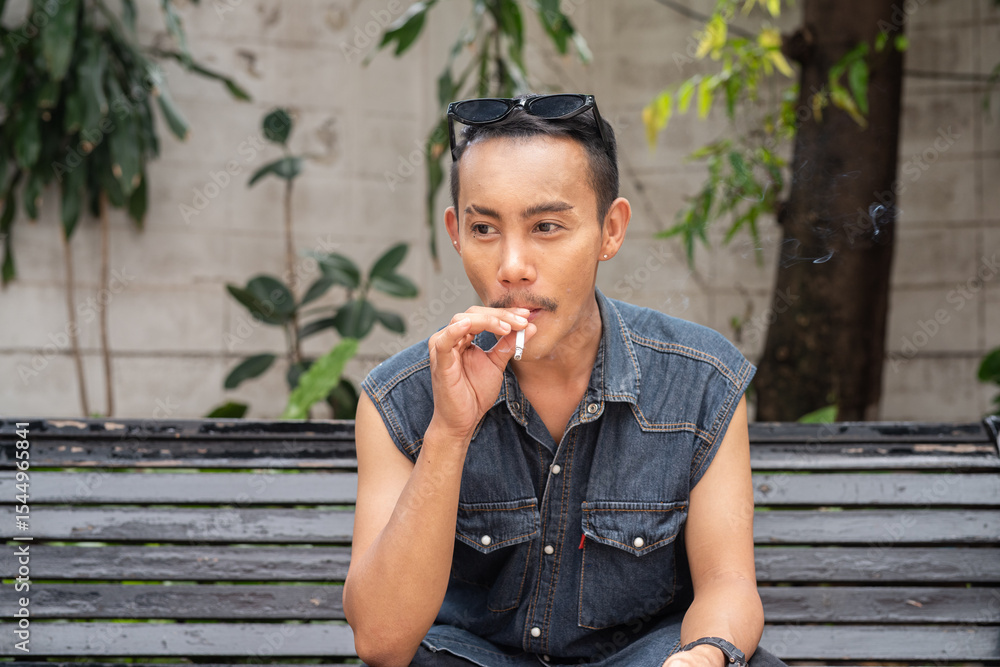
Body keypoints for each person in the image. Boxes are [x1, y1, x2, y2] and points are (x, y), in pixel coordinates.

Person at [343, 93, 787, 667]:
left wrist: (701, 657)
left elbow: (729, 584)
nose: (512, 267)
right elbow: (381, 642)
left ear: (610, 230)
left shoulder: (700, 380)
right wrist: (449, 433)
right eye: (484, 228)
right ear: (456, 232)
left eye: (547, 226)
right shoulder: (400, 399)